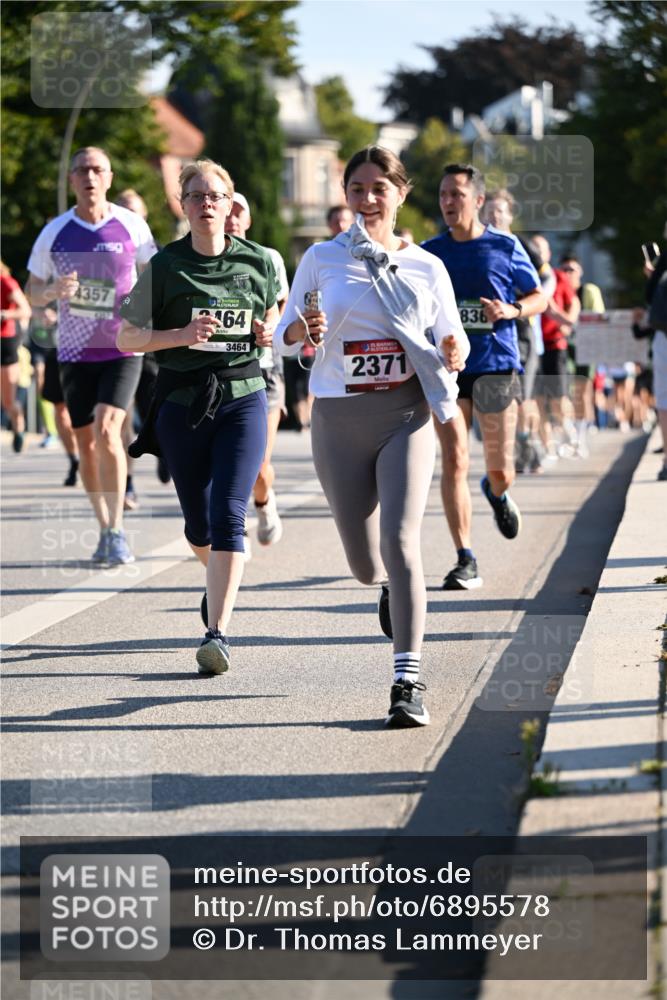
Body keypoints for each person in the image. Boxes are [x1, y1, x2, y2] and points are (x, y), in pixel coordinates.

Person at [276, 145, 469, 728]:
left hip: (405, 414)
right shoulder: (321, 258)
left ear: (400, 194)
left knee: (402, 541)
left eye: (378, 189)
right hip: (338, 418)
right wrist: (301, 328)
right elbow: (282, 336)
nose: (367, 200)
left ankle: (407, 681)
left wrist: (453, 349)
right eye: (356, 189)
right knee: (365, 564)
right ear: (345, 195)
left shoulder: (426, 266)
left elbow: (453, 335)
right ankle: (383, 586)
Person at [118, 158, 279, 674]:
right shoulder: (166, 265)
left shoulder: (258, 260)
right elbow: (126, 337)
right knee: (199, 526)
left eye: (215, 196)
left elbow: (272, 313)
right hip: (182, 404)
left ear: (230, 204)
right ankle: (220, 576)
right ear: (183, 205)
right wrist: (180, 336)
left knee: (230, 514)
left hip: (243, 395)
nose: (206, 204)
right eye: (196, 196)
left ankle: (217, 634)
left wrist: (266, 331)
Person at [27, 147, 158, 564]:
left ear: (109, 177)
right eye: (82, 170)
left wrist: (145, 310)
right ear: (71, 179)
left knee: (107, 428)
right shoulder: (55, 232)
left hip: (123, 346)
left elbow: (156, 274)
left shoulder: (131, 225)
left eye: (97, 169)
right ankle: (103, 526)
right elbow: (32, 290)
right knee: (85, 443)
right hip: (75, 350)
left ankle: (117, 530)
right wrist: (52, 291)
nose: (90, 176)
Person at [422, 165, 546, 590]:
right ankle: (465, 558)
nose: (448, 202)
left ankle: (496, 492)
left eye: (456, 194)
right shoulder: (429, 253)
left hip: (495, 366)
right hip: (448, 369)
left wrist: (511, 310)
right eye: (443, 194)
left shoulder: (504, 246)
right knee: (454, 459)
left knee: (501, 469)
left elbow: (539, 296)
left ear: (477, 200)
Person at [224, 191, 290, 546]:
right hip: (222, 370)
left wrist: (270, 326)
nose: (232, 218)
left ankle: (264, 503)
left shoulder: (268, 258)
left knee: (259, 463)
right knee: (227, 461)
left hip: (264, 368)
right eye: (228, 211)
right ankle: (233, 530)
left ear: (249, 220)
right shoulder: (202, 260)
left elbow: (282, 306)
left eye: (240, 212)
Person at [483, 190, 555, 474]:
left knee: (522, 394)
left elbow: (547, 278)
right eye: (489, 211)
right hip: (489, 333)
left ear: (511, 215)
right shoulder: (478, 244)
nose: (494, 216)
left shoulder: (519, 244)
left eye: (500, 211)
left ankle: (529, 447)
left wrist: (526, 304)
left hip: (522, 330)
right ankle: (520, 448)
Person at [114, 188, 170, 509]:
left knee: (155, 411)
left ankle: (164, 450)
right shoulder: (105, 252)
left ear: (144, 217)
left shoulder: (159, 254)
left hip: (150, 344)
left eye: (133, 212)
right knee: (119, 417)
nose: (127, 217)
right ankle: (128, 484)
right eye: (121, 210)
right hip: (117, 343)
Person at [531, 235, 580, 456]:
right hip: (532, 347)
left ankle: (568, 430)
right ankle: (548, 445)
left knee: (558, 397)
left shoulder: (557, 277)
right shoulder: (524, 275)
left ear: (548, 254)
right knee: (538, 399)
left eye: (541, 249)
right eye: (533, 249)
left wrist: (566, 320)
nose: (537, 253)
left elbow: (574, 302)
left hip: (554, 343)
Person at [1, 261, 32, 452]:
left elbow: (26, 310)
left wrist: (3, 314)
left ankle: (18, 428)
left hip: (5, 343)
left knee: (8, 401)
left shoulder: (6, 282)